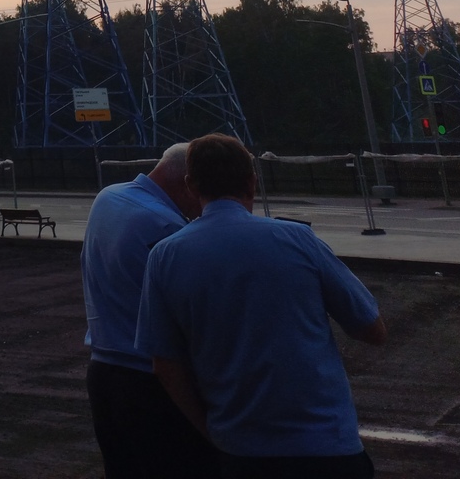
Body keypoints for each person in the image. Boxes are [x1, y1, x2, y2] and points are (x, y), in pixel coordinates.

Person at [138, 134, 387, 478]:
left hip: (240, 451)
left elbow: (165, 365)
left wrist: (212, 432)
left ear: (191, 186)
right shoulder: (297, 239)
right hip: (326, 446)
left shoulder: (164, 256)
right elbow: (371, 328)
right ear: (252, 182)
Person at [79, 142, 216, 478]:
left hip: (102, 372)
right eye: (199, 192)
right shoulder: (166, 228)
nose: (199, 206)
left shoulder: (109, 197)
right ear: (187, 182)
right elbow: (193, 318)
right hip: (150, 385)